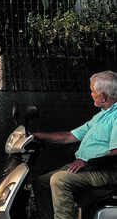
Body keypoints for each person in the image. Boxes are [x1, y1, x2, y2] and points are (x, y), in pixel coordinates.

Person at [31, 70, 117, 219]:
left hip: (106, 172)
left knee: (60, 180)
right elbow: (70, 136)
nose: (91, 94)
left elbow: (116, 153)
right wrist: (37, 136)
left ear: (102, 96)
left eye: (92, 91)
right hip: (89, 168)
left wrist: (88, 163)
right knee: (41, 182)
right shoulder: (101, 116)